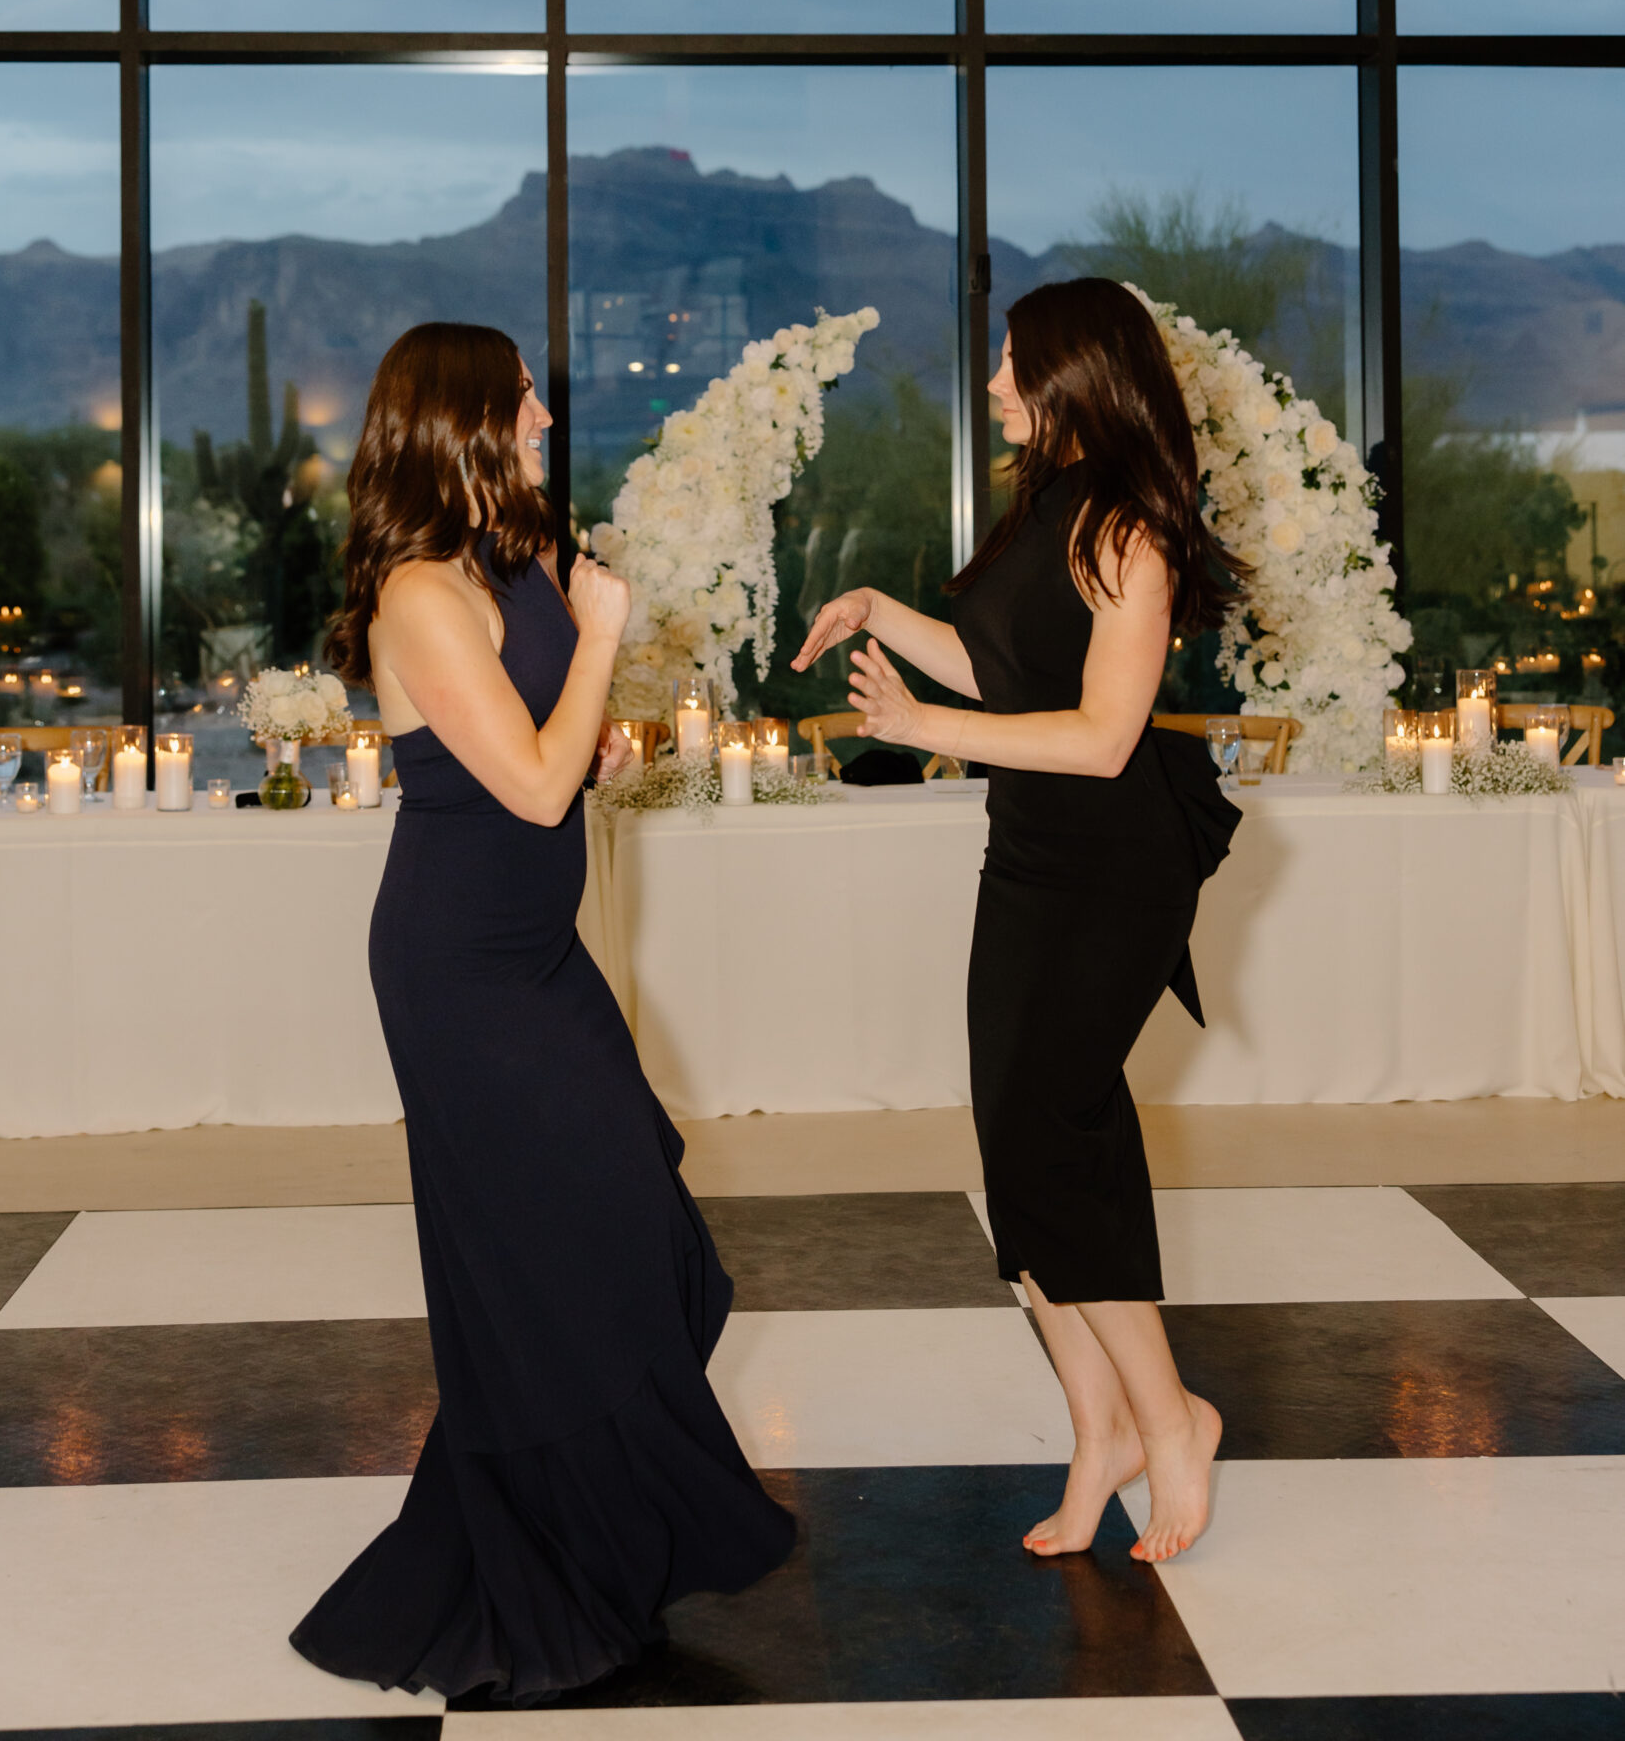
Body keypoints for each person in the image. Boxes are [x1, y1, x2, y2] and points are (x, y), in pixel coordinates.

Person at [291, 322, 794, 1705]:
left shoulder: (494, 569)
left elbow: (552, 754)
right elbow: (524, 788)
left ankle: (573, 1548)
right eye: (522, 399)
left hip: (533, 952)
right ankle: (541, 1573)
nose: (545, 419)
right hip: (460, 973)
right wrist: (606, 644)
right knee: (559, 1258)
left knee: (636, 1241)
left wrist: (597, 715)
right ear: (461, 418)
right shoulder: (416, 596)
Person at [793, 277, 1243, 1566]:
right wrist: (881, 613)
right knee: (1019, 1148)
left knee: (1057, 1141)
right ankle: (1096, 1429)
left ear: (1075, 381)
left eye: (1012, 367)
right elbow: (1006, 672)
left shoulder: (1130, 530)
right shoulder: (1044, 509)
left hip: (1116, 867)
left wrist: (925, 731)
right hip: (1033, 854)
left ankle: (1174, 1423)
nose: (994, 386)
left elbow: (1103, 740)